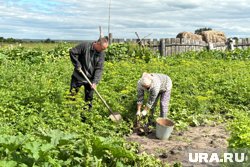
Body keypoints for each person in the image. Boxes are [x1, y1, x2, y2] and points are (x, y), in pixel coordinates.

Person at [69, 36, 109, 111]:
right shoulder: (85, 46)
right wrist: (77, 64)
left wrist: (95, 82)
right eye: (103, 48)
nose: (103, 50)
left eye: (104, 49)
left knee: (89, 99)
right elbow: (72, 52)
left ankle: (86, 116)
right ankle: (70, 113)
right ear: (97, 44)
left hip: (90, 79)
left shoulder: (101, 54)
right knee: (73, 95)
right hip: (78, 76)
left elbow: (99, 68)